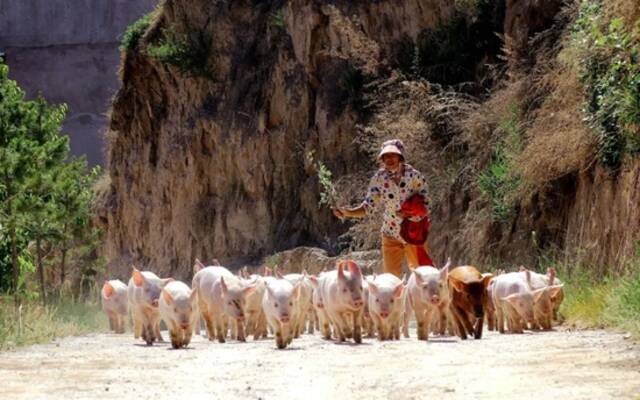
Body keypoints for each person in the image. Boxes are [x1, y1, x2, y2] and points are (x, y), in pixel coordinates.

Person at [332, 139, 432, 277]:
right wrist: (347, 212)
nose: (389, 159)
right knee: (391, 278)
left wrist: (410, 215)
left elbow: (427, 204)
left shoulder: (414, 176)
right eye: (385, 156)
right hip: (390, 234)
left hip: (413, 233)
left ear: (400, 156)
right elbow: (367, 207)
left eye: (393, 155)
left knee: (423, 275)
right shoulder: (379, 178)